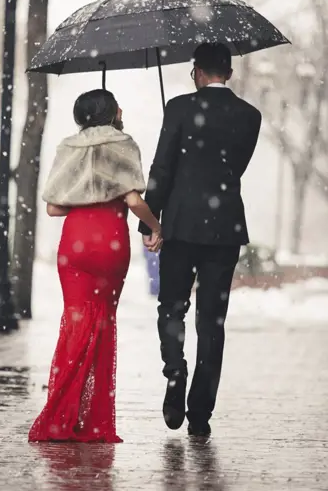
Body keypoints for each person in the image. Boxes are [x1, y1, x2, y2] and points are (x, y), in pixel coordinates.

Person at [140, 42, 262, 437]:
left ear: (196, 71)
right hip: (224, 229)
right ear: (229, 72)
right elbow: (235, 169)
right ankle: (200, 413)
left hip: (181, 224)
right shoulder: (250, 116)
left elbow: (161, 168)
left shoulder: (177, 108)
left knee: (172, 306)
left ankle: (175, 371)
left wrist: (150, 222)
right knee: (212, 322)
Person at [29, 89, 162, 443]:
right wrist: (156, 226)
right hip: (109, 243)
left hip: (75, 244)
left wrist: (83, 194)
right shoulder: (124, 144)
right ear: (112, 112)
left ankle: (59, 415)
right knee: (102, 325)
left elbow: (53, 208)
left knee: (74, 325)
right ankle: (93, 420)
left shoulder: (68, 147)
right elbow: (134, 199)